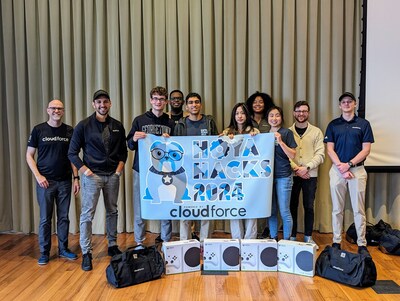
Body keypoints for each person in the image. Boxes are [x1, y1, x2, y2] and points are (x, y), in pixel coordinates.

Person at [68, 90, 127, 271]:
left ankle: (112, 245)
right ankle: (87, 252)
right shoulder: (83, 126)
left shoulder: (117, 125)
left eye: (105, 102)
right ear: (94, 104)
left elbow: (123, 153)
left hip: (112, 176)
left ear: (110, 104)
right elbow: (72, 152)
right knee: (87, 214)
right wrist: (85, 171)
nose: (102, 105)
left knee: (112, 211)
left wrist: (117, 172)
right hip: (92, 177)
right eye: (99, 102)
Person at [26, 99, 80, 265]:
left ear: (63, 111)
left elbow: (73, 157)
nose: (56, 111)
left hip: (64, 181)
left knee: (63, 217)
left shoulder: (70, 131)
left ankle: (63, 249)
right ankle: (44, 252)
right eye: (53, 108)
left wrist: (76, 178)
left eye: (59, 108)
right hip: (45, 182)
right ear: (48, 110)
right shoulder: (38, 130)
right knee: (45, 219)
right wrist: (38, 176)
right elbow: (29, 155)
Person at [324, 92, 374, 256]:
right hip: (337, 171)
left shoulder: (363, 124)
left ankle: (362, 244)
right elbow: (329, 149)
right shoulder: (333, 125)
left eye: (349, 101)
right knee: (337, 209)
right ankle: (336, 241)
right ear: (340, 105)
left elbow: (366, 149)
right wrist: (341, 167)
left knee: (358, 210)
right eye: (343, 102)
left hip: (357, 170)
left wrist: (349, 165)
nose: (346, 104)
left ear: (355, 104)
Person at [126, 86, 174, 247]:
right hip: (142, 170)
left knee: (165, 205)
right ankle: (139, 242)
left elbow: (177, 149)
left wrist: (169, 140)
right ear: (150, 100)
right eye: (155, 98)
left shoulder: (171, 122)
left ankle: (166, 241)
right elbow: (130, 145)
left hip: (164, 172)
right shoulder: (140, 120)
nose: (158, 102)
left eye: (161, 99)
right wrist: (134, 138)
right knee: (140, 206)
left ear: (166, 102)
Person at [174, 92, 219, 242]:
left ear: (200, 104)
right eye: (191, 102)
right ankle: (185, 242)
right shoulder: (181, 124)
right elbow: (175, 148)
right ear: (186, 106)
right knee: (185, 211)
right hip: (186, 174)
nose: (194, 105)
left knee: (206, 211)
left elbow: (217, 145)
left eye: (197, 102)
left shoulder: (209, 122)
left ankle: (205, 243)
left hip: (206, 174)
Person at [289, 101, 325, 248]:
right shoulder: (287, 132)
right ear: (293, 113)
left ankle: (308, 237)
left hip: (311, 175)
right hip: (292, 175)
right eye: (298, 111)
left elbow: (321, 154)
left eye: (304, 111)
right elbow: (285, 155)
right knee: (292, 205)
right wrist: (297, 169)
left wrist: (307, 168)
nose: (301, 114)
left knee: (309, 206)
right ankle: (291, 236)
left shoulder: (316, 131)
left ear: (308, 113)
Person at [221, 103, 259, 239]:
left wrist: (256, 138)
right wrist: (223, 140)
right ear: (233, 116)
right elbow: (220, 153)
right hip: (232, 177)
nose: (240, 116)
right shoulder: (227, 132)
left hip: (250, 177)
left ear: (247, 115)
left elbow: (260, 150)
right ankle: (237, 240)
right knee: (234, 208)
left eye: (242, 113)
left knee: (251, 207)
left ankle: (250, 240)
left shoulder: (255, 131)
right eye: (237, 113)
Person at [267, 106, 297, 240]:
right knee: (271, 211)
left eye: (277, 115)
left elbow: (293, 155)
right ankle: (273, 238)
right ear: (267, 119)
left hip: (284, 176)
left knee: (284, 211)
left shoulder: (287, 133)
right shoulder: (263, 134)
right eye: (271, 116)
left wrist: (280, 142)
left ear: (281, 118)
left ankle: (286, 240)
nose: (274, 118)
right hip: (267, 178)